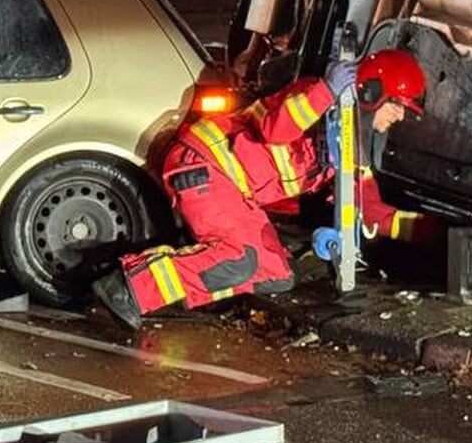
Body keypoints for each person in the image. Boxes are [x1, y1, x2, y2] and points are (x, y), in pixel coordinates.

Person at [94, 50, 435, 327]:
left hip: (233, 189)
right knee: (242, 257)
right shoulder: (313, 94)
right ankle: (131, 284)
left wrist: (437, 233)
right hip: (207, 164)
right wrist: (325, 92)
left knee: (276, 275)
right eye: (398, 106)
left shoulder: (350, 144)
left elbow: (373, 211)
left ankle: (181, 278)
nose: (401, 118)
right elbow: (275, 130)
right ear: (372, 93)